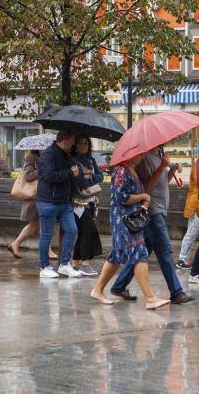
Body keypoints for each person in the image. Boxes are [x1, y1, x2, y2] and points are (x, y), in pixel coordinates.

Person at [110, 146, 193, 305]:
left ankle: (119, 285)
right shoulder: (144, 158)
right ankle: (176, 292)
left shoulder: (159, 153)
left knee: (144, 251)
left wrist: (170, 171)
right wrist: (162, 166)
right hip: (152, 210)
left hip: (160, 209)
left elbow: (161, 182)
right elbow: (146, 187)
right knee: (164, 250)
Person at [89, 154, 170, 309]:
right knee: (139, 254)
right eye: (139, 152)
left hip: (130, 219)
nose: (142, 155)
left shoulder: (131, 169)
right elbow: (122, 197)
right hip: (124, 220)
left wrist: (143, 198)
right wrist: (143, 196)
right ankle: (150, 298)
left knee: (117, 255)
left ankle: (98, 290)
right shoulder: (121, 171)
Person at [36, 130, 81, 278]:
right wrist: (69, 172)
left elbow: (69, 174)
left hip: (64, 201)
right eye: (73, 140)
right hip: (48, 201)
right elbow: (49, 176)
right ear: (65, 140)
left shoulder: (66, 154)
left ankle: (64, 265)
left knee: (72, 230)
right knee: (47, 235)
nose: (74, 143)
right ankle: (44, 267)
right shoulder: (48, 155)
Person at [7, 150, 57, 260]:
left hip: (45, 195)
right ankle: (47, 251)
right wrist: (43, 170)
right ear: (37, 148)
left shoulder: (49, 158)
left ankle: (15, 244)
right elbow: (28, 176)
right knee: (39, 223)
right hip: (35, 197)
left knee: (36, 224)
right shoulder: (31, 158)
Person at [70, 135, 103, 276]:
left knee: (84, 231)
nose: (83, 145)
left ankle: (75, 262)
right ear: (75, 145)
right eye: (80, 143)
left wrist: (91, 177)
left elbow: (100, 176)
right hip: (78, 202)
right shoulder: (72, 160)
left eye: (86, 143)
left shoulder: (91, 159)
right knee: (89, 230)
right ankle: (86, 263)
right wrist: (88, 179)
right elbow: (79, 182)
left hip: (91, 200)